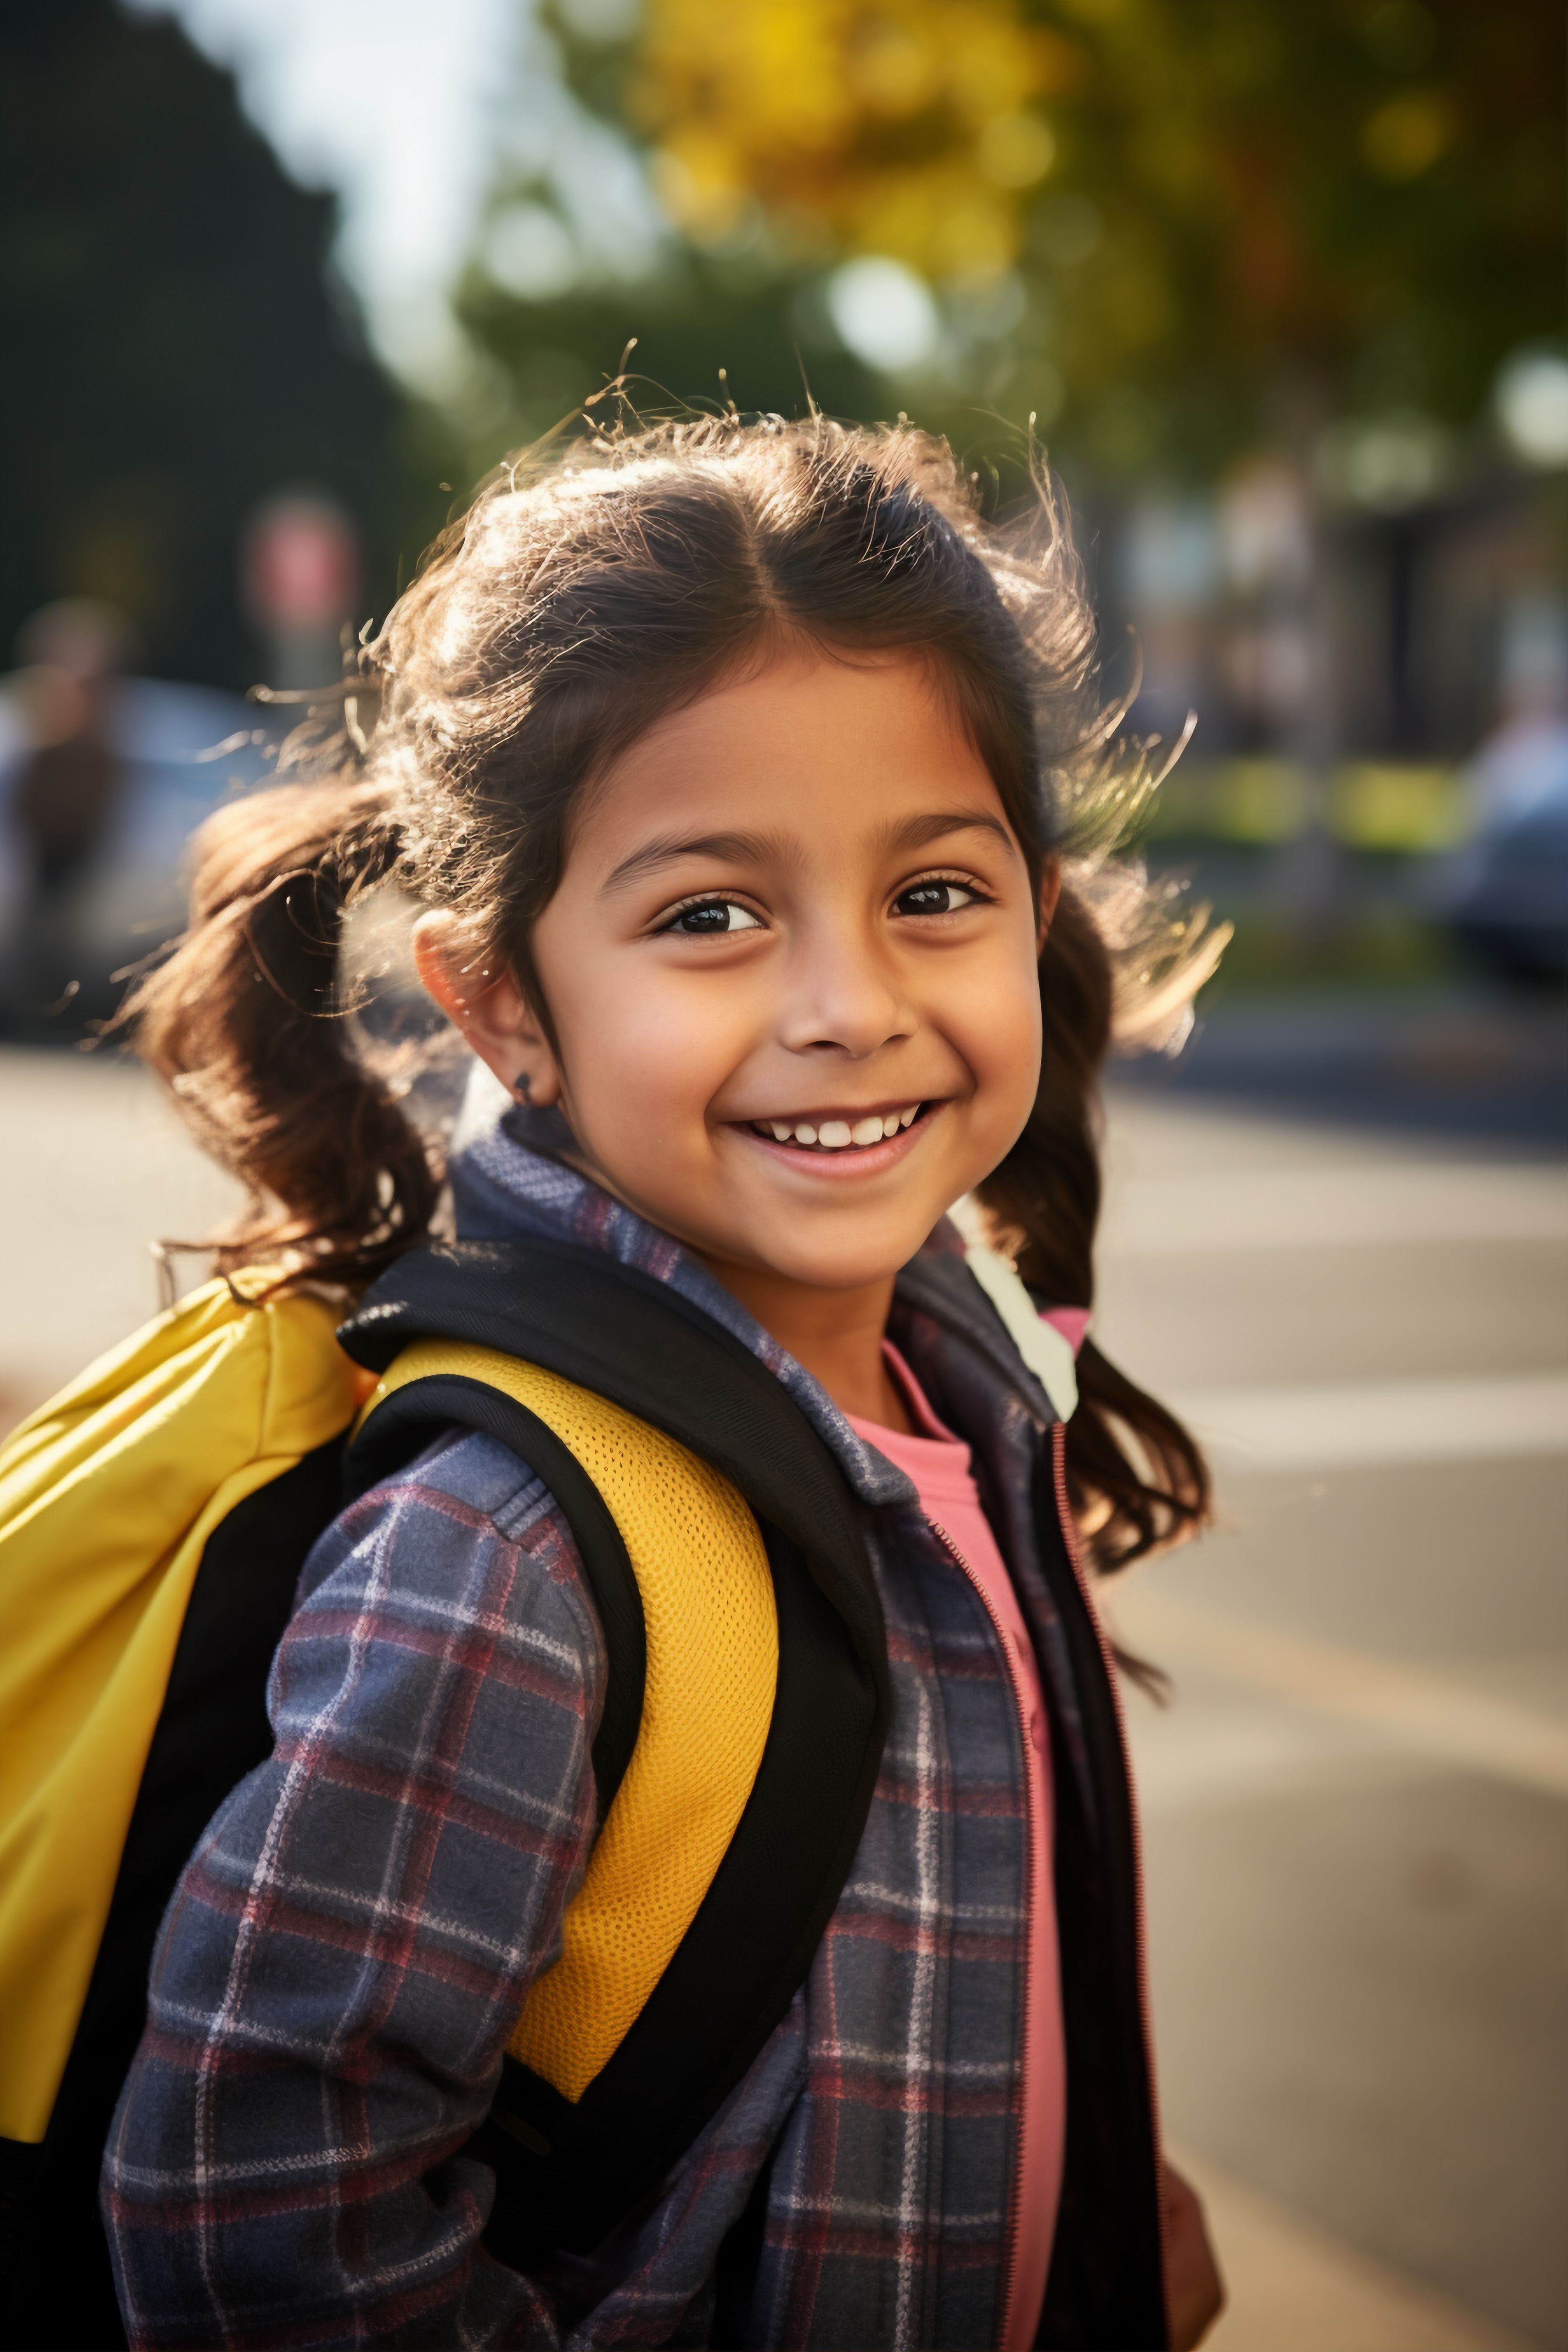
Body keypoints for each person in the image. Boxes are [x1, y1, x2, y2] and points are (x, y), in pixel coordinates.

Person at [100, 416, 1225, 2350]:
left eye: (932, 894)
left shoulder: (964, 1390)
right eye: (710, 916)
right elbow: (255, 2226)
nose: (848, 1004)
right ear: (502, 1004)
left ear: (1033, 909)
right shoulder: (508, 1555)